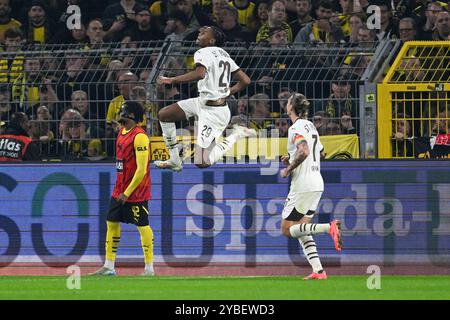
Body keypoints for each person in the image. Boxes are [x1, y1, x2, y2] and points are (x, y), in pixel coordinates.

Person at [155, 26, 254, 171]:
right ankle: (175, 159)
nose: (200, 32)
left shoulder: (203, 52)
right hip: (203, 102)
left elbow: (200, 74)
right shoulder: (224, 54)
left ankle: (236, 134)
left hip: (214, 112)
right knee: (164, 115)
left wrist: (172, 80)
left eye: (204, 32)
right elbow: (245, 80)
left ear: (212, 40)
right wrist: (229, 91)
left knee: (201, 162)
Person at [279, 92, 342, 280]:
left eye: (288, 101)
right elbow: (321, 153)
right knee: (301, 229)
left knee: (287, 229)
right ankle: (319, 271)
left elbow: (304, 151)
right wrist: (290, 158)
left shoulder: (295, 128)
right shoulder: (311, 126)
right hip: (316, 182)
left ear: (291, 107)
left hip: (303, 184)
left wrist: (288, 169)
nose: (286, 103)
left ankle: (328, 227)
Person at [90, 101, 154, 276]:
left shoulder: (140, 136)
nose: (121, 113)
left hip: (136, 191)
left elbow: (142, 169)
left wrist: (127, 192)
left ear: (132, 115)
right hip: (119, 188)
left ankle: (149, 269)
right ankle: (109, 266)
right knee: (111, 222)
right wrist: (121, 190)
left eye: (124, 111)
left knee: (142, 225)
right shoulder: (121, 133)